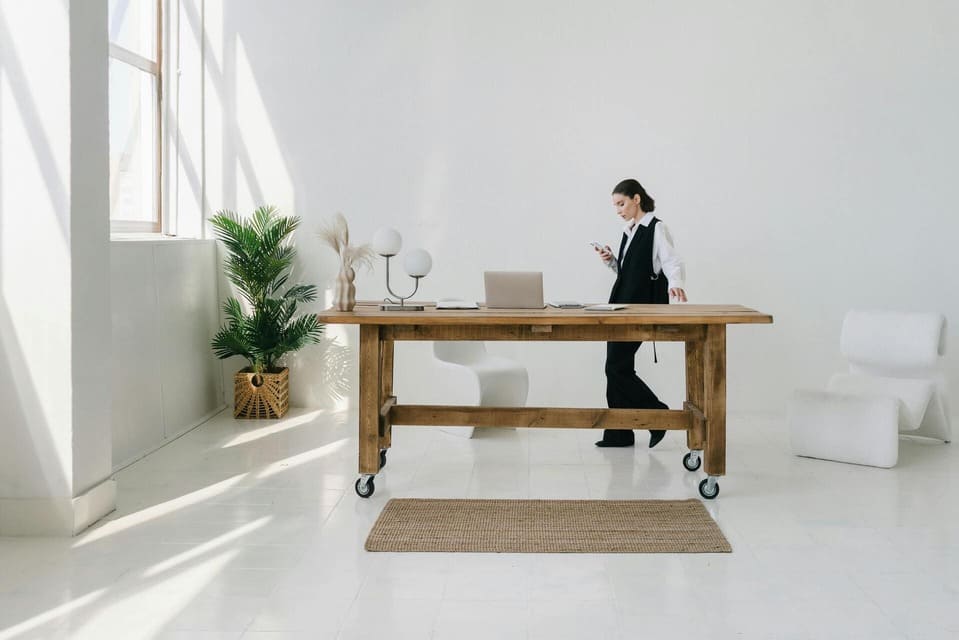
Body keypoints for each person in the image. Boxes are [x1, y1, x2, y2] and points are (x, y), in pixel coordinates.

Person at [593, 178, 687, 448]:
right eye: (615, 205)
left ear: (636, 199)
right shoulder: (629, 231)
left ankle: (658, 415)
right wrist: (612, 261)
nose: (618, 210)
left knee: (616, 367)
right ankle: (620, 433)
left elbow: (671, 261)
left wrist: (676, 283)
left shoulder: (656, 228)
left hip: (639, 308)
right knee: (618, 367)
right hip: (620, 306)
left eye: (621, 203)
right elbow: (630, 273)